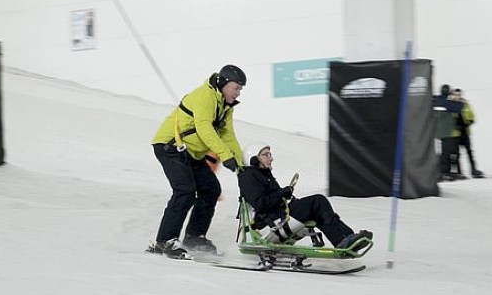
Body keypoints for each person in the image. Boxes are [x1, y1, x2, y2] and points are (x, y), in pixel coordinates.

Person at [151, 65, 246, 258]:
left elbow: (228, 136)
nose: (238, 92)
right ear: (224, 83)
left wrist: (242, 166)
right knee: (185, 191)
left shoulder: (225, 107)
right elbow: (204, 129)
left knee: (210, 189)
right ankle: (165, 241)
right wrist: (225, 156)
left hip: (191, 153)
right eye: (236, 87)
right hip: (170, 147)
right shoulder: (205, 96)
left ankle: (194, 237)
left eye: (241, 89)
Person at [237, 142, 373, 251]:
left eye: (270, 154)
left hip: (278, 217)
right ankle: (344, 240)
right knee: (318, 201)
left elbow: (273, 198)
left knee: (318, 210)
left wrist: (286, 195)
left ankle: (347, 238)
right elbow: (260, 203)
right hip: (269, 225)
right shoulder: (248, 176)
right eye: (266, 155)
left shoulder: (264, 175)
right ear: (254, 159)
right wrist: (281, 193)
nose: (271, 158)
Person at [433, 84, 464, 181]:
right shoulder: (447, 103)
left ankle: (438, 173)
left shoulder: (435, 100)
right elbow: (458, 107)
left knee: (438, 154)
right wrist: (460, 101)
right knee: (445, 154)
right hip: (446, 132)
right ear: (449, 92)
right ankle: (444, 173)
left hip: (435, 132)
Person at [451, 88, 484, 179]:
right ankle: (459, 172)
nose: (457, 96)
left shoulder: (466, 104)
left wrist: (469, 122)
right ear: (452, 95)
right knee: (456, 154)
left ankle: (474, 171)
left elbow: (472, 116)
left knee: (469, 152)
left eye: (459, 95)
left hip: (465, 132)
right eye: (455, 95)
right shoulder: (450, 105)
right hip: (455, 133)